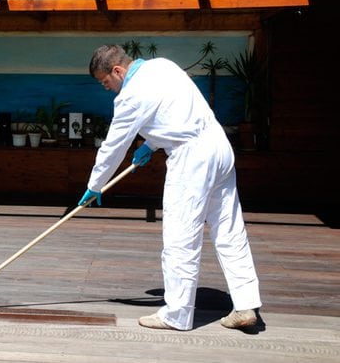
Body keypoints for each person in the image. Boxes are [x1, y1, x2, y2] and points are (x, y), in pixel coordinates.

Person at [78, 44, 262, 331]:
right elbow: (175, 109)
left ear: (118, 70)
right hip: (219, 146)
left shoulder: (130, 95)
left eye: (106, 82)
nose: (107, 88)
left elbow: (114, 146)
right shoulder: (163, 65)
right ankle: (246, 304)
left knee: (180, 236)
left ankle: (176, 314)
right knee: (229, 229)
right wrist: (152, 144)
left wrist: (95, 185)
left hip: (192, 158)